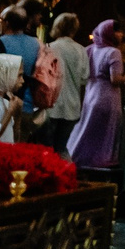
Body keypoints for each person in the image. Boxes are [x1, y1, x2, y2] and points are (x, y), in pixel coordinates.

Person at [68, 20, 125, 180]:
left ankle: (79, 158)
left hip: (90, 93)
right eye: (117, 31)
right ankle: (101, 161)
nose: (121, 35)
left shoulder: (89, 49)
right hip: (108, 96)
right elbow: (115, 79)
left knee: (87, 128)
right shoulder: (113, 52)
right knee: (105, 132)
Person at [39, 11, 87, 153]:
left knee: (46, 148)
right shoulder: (81, 50)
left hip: (51, 105)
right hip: (72, 106)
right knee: (61, 148)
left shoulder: (49, 48)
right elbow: (84, 78)